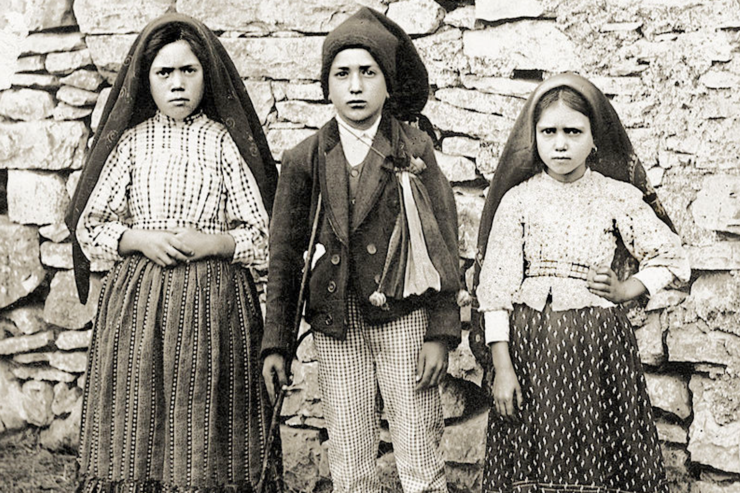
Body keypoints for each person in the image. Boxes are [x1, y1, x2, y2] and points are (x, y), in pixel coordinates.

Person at [65, 14, 281, 492]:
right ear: (146, 80)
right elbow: (89, 225)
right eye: (164, 73)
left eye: (189, 71)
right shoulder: (131, 143)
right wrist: (139, 239)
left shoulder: (222, 142)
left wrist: (215, 243)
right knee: (138, 407)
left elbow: (263, 233)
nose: (178, 84)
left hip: (215, 302)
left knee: (206, 405)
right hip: (139, 303)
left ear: (208, 75)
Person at [261, 7, 461, 493]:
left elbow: (443, 243)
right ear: (326, 86)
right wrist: (277, 342)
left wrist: (440, 331)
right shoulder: (305, 158)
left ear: (388, 84)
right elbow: (285, 255)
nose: (355, 86)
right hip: (337, 324)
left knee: (419, 449)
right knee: (350, 458)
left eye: (368, 73)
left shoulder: (413, 150)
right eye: (342, 74)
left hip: (404, 318)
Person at [475, 73, 691, 493]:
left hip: (600, 348)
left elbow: (671, 254)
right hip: (532, 350)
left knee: (601, 446)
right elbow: (496, 290)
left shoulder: (615, 195)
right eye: (549, 132)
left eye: (573, 132)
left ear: (594, 139)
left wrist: (627, 289)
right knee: (536, 444)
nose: (560, 144)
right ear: (534, 138)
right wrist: (502, 368)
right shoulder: (518, 200)